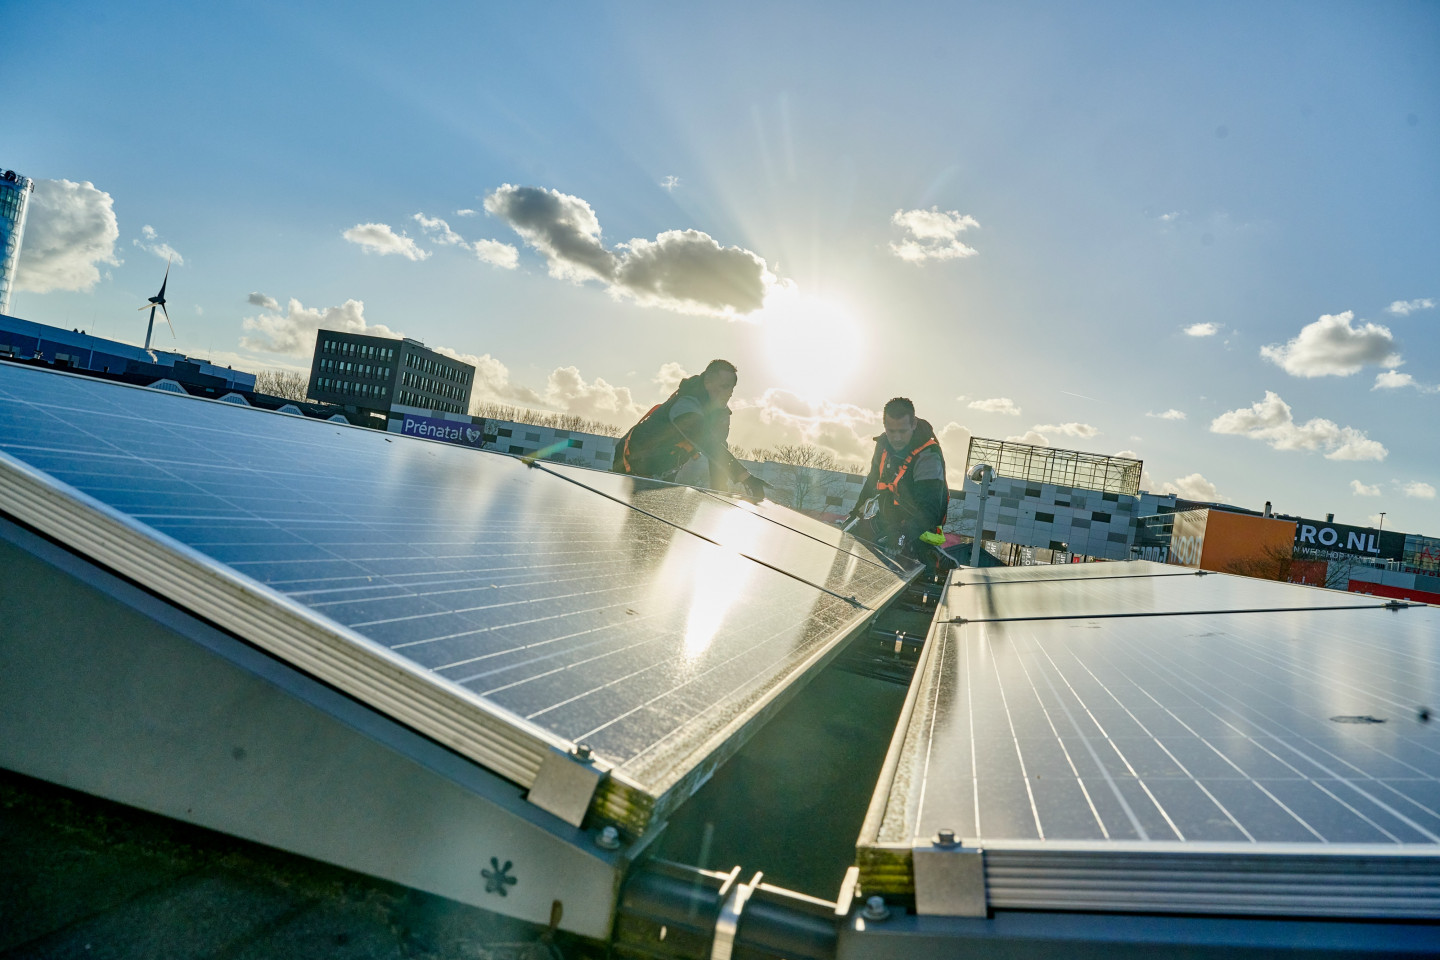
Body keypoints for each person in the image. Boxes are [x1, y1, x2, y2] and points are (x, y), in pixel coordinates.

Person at [613, 359, 766, 500]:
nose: (730, 392)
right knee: (640, 520)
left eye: (732, 387)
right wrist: (743, 476)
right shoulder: (685, 405)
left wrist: (720, 494)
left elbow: (718, 451)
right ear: (708, 382)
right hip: (632, 464)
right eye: (724, 386)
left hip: (665, 468)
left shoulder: (720, 413)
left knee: (663, 522)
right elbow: (704, 440)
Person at [845, 397, 949, 555]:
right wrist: (854, 516)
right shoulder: (883, 445)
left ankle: (934, 559)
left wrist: (902, 534)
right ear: (884, 426)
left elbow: (929, 509)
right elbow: (873, 481)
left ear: (913, 424)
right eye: (891, 431)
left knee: (906, 562)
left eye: (902, 431)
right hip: (888, 520)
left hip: (919, 528)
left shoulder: (928, 455)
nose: (897, 438)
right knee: (850, 538)